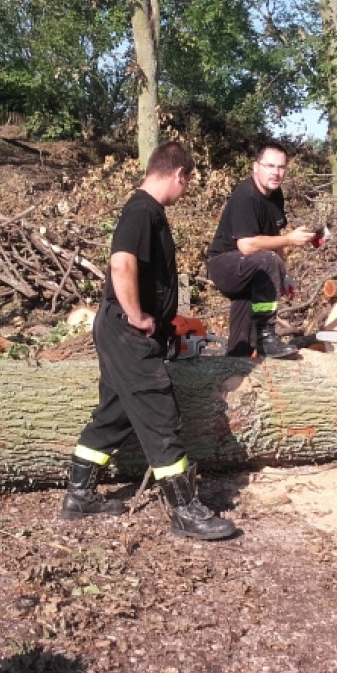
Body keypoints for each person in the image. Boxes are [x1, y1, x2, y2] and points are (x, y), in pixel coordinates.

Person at [59, 141, 237, 541]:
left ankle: (79, 495)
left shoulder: (147, 211)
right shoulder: (142, 210)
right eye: (187, 182)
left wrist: (163, 323)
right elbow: (121, 263)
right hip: (126, 330)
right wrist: (137, 315)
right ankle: (184, 511)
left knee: (116, 413)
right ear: (178, 174)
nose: (186, 190)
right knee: (160, 413)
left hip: (120, 329)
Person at [207, 141, 317, 358]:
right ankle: (266, 337)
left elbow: (274, 238)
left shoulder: (276, 196)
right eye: (270, 166)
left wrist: (283, 275)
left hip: (251, 266)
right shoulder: (245, 195)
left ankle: (235, 364)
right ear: (255, 167)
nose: (276, 173)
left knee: (241, 344)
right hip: (224, 264)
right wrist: (290, 240)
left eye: (281, 167)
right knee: (266, 260)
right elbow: (246, 245)